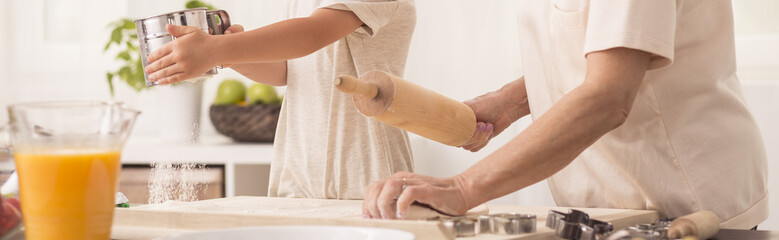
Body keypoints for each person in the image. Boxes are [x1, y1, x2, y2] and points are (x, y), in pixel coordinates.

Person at [362, 0, 768, 229]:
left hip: (685, 204)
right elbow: (592, 49)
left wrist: (463, 188)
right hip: (610, 210)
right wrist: (510, 101)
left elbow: (608, 96)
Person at [144, 0, 417, 199]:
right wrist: (228, 55)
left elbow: (310, 34)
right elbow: (288, 70)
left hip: (368, 178)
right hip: (299, 179)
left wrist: (215, 49)